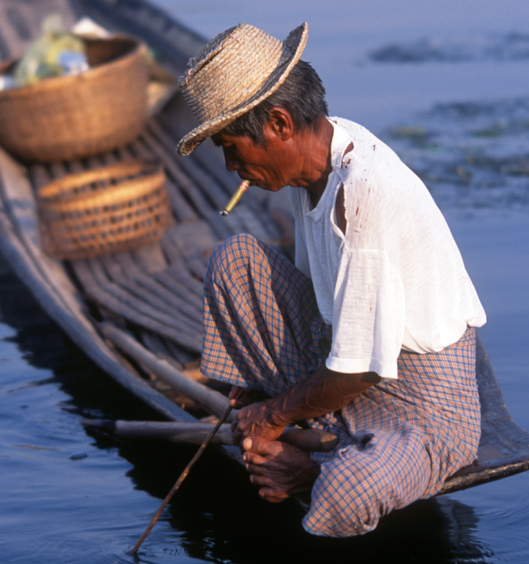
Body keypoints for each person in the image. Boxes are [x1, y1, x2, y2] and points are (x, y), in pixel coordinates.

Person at [176, 22, 486, 537]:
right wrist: (264, 403)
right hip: (344, 360)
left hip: (425, 404)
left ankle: (311, 471)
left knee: (347, 495)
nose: (232, 166)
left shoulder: (362, 193)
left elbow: (363, 368)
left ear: (278, 123)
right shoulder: (313, 159)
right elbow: (327, 309)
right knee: (234, 261)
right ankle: (315, 428)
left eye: (232, 148)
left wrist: (273, 417)